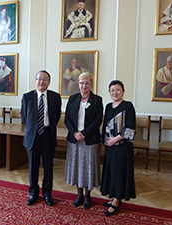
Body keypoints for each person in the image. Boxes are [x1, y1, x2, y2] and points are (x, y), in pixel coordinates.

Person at [21, 70, 61, 206]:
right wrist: (35, 128)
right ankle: (33, 194)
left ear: (49, 82)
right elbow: (24, 117)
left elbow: (56, 116)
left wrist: (45, 126)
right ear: (35, 81)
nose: (41, 82)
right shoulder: (27, 97)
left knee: (48, 167)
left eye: (44, 79)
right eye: (39, 79)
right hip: (33, 136)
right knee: (33, 167)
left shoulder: (55, 97)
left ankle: (47, 194)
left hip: (48, 135)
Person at [64, 72, 103, 210]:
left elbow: (97, 120)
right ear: (78, 84)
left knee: (88, 168)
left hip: (89, 139)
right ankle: (79, 194)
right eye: (81, 83)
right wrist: (75, 133)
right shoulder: (73, 98)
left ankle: (88, 195)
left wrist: (84, 134)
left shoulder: (97, 100)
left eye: (87, 83)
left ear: (91, 84)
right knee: (76, 167)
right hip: (74, 139)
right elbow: (67, 118)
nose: (84, 85)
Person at [100, 80, 136, 217]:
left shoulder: (128, 106)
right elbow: (105, 127)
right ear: (109, 92)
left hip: (122, 147)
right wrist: (103, 143)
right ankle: (113, 196)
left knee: (120, 173)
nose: (115, 92)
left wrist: (116, 139)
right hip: (110, 147)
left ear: (123, 91)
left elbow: (131, 127)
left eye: (118, 90)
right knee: (111, 172)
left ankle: (116, 201)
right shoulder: (108, 106)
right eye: (112, 90)